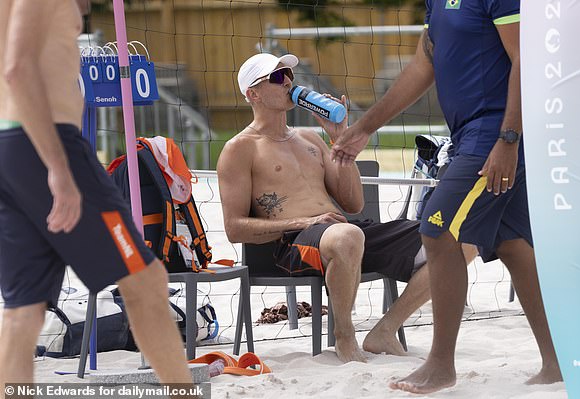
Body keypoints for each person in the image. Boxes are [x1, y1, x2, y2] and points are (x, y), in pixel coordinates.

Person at [331, 0, 563, 394]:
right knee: (512, 244)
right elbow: (424, 66)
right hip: (471, 136)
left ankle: (440, 365)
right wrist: (365, 127)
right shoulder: (436, 3)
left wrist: (509, 139)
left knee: (436, 231)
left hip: (495, 134)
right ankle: (557, 363)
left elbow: (526, 60)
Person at [217, 52, 478, 363]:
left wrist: (339, 141)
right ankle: (344, 335)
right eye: (276, 77)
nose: (287, 81)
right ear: (252, 93)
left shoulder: (309, 138)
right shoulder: (239, 148)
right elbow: (234, 228)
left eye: (288, 74)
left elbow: (353, 202)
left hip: (348, 233)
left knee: (461, 238)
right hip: (296, 241)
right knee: (347, 236)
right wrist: (301, 221)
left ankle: (384, 331)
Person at [0, 1, 195, 395]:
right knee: (145, 281)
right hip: (49, 144)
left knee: (25, 308)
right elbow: (17, 70)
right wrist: (57, 166)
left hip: (12, 143)